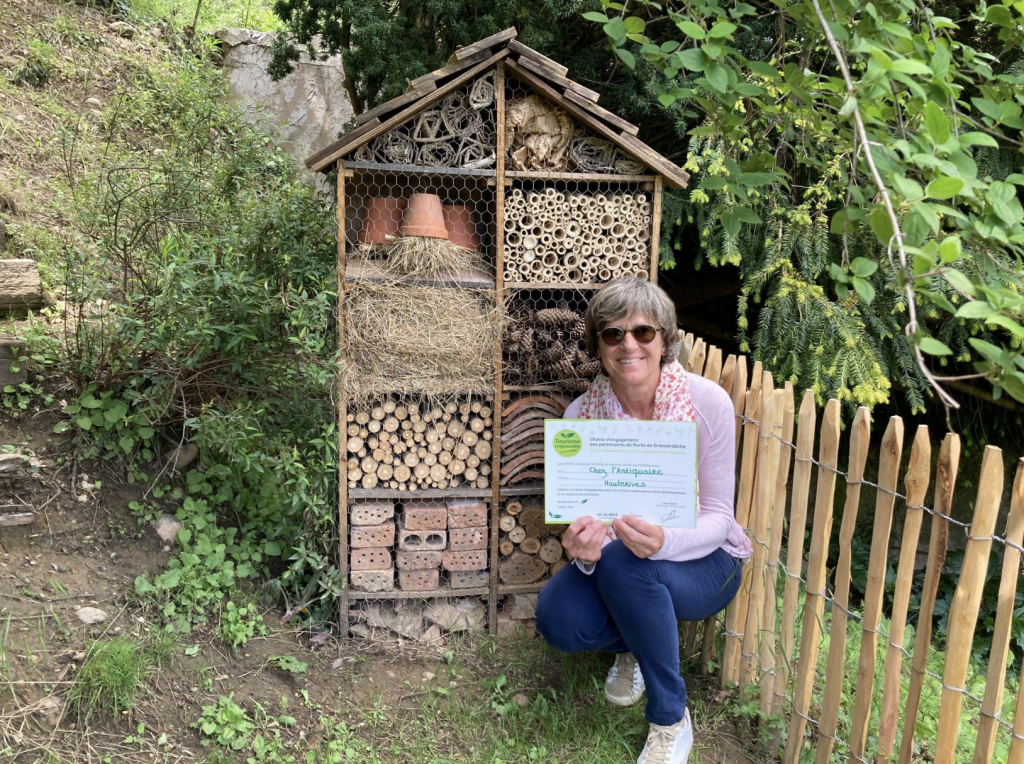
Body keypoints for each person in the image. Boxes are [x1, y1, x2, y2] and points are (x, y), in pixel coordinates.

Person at [535, 277, 752, 764]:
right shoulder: (580, 417)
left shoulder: (707, 403)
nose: (628, 344)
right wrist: (583, 552)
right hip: (618, 562)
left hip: (705, 561)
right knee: (558, 619)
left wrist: (664, 541)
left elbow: (720, 518)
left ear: (665, 339)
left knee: (627, 563)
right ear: (598, 346)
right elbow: (583, 519)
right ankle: (635, 642)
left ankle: (670, 718)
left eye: (643, 332)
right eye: (612, 334)